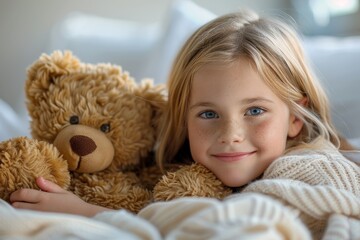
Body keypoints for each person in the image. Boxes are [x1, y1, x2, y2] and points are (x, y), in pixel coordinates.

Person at [10, 10, 358, 220]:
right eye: (208, 113)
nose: (231, 133)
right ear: (184, 120)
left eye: (254, 110)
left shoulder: (309, 165)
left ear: (295, 117)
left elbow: (221, 230)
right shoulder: (186, 181)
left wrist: (92, 215)